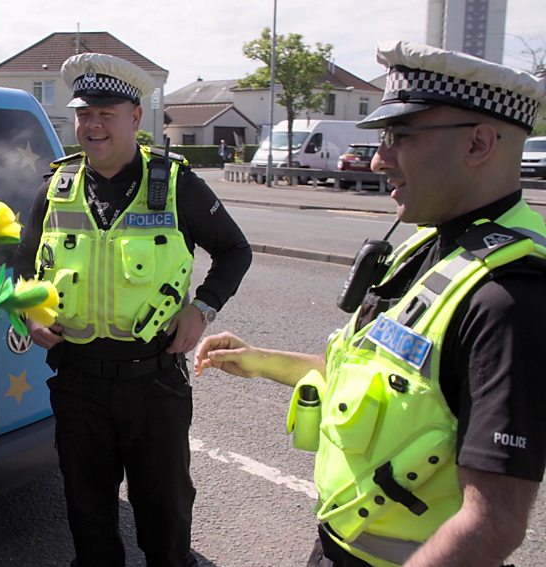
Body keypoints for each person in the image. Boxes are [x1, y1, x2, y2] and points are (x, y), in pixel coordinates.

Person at [196, 40, 546, 567]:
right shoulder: (429, 244)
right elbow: (382, 378)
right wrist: (259, 360)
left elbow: (493, 522)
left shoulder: (510, 296)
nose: (379, 159)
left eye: (401, 136)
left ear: (478, 144)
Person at [14, 52, 252, 567]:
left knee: (165, 520)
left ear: (135, 117)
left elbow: (236, 250)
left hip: (154, 385)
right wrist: (29, 314)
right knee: (88, 516)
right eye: (83, 114)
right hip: (78, 384)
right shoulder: (55, 189)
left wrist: (203, 309)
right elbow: (22, 272)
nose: (92, 124)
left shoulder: (175, 185)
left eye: (106, 112)